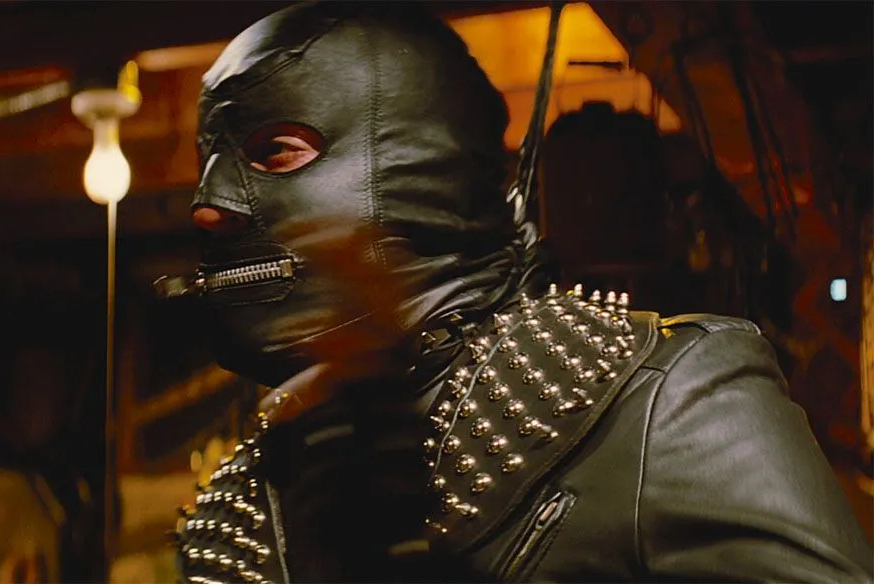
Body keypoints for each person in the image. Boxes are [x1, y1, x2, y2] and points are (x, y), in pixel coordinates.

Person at [166, 3, 873, 583]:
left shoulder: (660, 406)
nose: (207, 205)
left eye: (276, 149)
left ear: (428, 168)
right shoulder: (235, 521)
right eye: (209, 162)